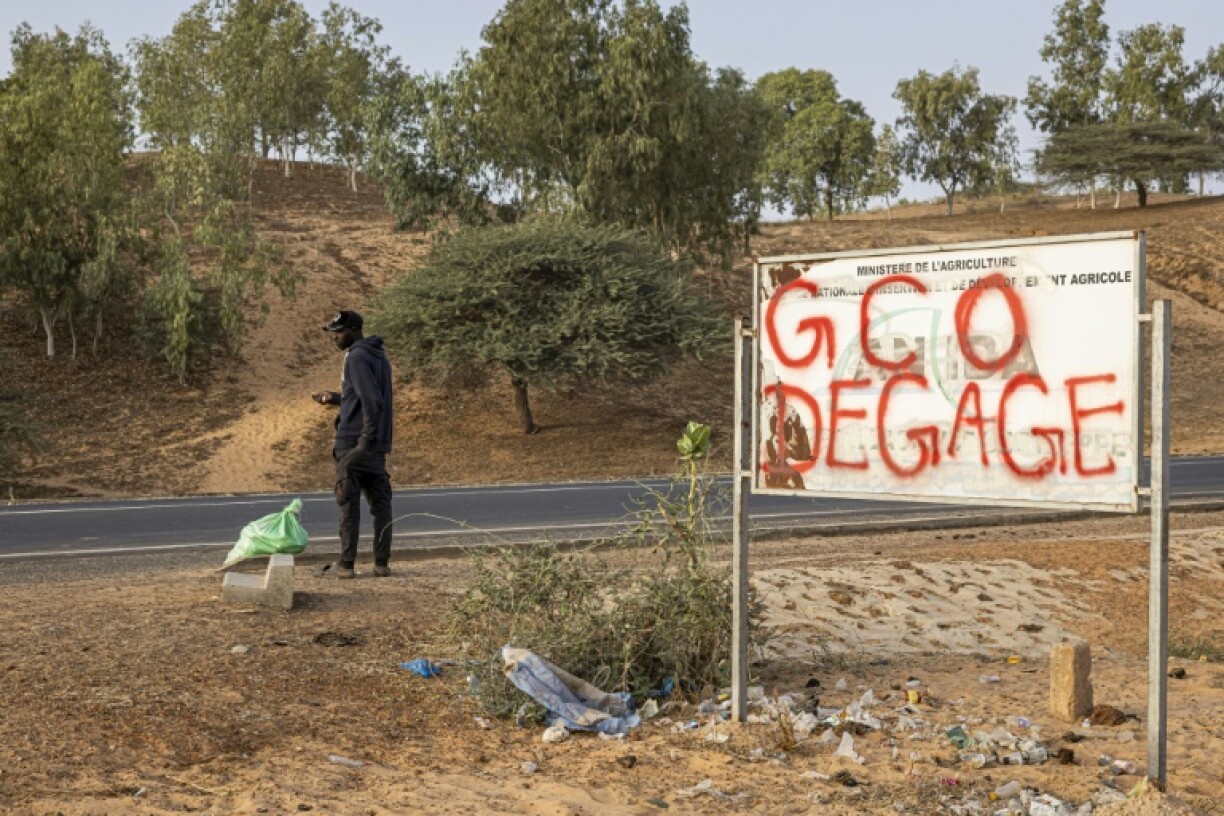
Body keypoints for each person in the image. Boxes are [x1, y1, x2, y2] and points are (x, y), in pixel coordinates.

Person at [311, 310, 394, 578]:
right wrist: (336, 398)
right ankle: (381, 564)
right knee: (381, 505)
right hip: (377, 444)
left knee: (348, 502)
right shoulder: (378, 356)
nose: (335, 337)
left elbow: (372, 401)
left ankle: (346, 565)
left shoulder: (356, 357)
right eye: (333, 332)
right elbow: (362, 396)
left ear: (355, 330)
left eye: (340, 331)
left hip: (354, 442)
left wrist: (362, 443)